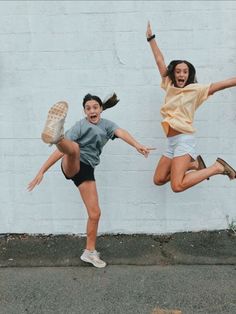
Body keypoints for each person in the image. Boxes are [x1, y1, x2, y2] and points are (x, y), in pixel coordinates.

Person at [28, 93, 152, 268]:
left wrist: (137, 145)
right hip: (71, 163)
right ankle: (58, 137)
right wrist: (42, 171)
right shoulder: (81, 125)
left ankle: (89, 252)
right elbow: (60, 153)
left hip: (87, 170)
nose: (92, 110)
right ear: (84, 111)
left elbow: (121, 132)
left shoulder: (107, 125)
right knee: (74, 148)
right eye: (88, 108)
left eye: (95, 107)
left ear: (101, 109)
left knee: (95, 213)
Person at [146, 21, 236, 192]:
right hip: (171, 142)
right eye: (178, 71)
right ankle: (194, 164)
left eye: (185, 71)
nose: (181, 74)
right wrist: (151, 38)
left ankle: (217, 167)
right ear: (174, 73)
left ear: (189, 74)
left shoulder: (196, 90)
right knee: (158, 179)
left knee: (177, 186)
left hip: (184, 140)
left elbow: (223, 84)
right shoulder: (169, 85)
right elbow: (159, 60)